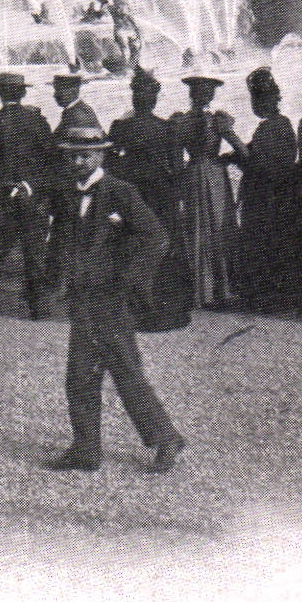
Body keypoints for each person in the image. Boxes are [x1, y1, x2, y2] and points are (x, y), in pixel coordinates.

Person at [44, 125, 182, 474]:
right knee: (79, 376)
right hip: (83, 298)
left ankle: (166, 440)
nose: (78, 161)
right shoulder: (68, 194)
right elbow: (63, 240)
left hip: (112, 301)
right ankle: (86, 448)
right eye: (72, 155)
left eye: (85, 154)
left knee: (126, 372)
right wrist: (59, 278)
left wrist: (129, 278)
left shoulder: (121, 193)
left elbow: (157, 238)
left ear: (102, 154)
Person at [105, 66, 192, 331]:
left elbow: (108, 163)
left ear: (133, 98)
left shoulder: (120, 127)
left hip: (132, 195)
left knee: (129, 247)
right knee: (164, 247)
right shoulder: (167, 128)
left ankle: (130, 310)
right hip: (161, 195)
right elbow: (178, 168)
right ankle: (163, 309)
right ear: (155, 100)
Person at [0, 71, 53, 322]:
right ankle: (39, 308)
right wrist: (28, 184)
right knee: (34, 254)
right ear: (23, 92)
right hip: (32, 198)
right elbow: (50, 161)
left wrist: (4, 186)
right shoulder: (38, 122)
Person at [171, 75, 243, 309]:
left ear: (191, 95)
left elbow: (175, 162)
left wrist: (181, 185)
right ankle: (223, 288)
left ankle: (200, 290)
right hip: (214, 176)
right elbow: (242, 150)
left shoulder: (180, 122)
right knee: (219, 227)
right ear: (211, 96)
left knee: (196, 228)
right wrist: (228, 158)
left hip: (192, 174)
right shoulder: (218, 122)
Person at [232, 68, 297, 309]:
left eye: (255, 100)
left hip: (266, 195)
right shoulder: (279, 124)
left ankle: (264, 295)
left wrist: (230, 137)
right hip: (276, 193)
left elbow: (254, 161)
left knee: (262, 239)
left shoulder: (270, 127)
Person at [45, 72, 100, 292]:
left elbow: (75, 154)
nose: (55, 95)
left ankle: (64, 284)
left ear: (73, 91)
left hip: (72, 184)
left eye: (59, 90)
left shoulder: (77, 116)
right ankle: (62, 282)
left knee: (68, 233)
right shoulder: (76, 112)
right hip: (71, 184)